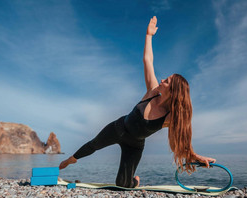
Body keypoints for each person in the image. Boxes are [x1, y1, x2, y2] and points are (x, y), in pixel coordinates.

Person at [59, 16, 216, 188]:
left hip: (135, 145)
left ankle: (135, 181)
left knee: (122, 184)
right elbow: (148, 61)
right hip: (117, 128)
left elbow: (182, 142)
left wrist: (195, 156)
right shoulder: (152, 91)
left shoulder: (170, 118)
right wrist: (148, 36)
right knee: (93, 145)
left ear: (173, 92)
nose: (162, 80)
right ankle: (71, 159)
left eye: (167, 81)